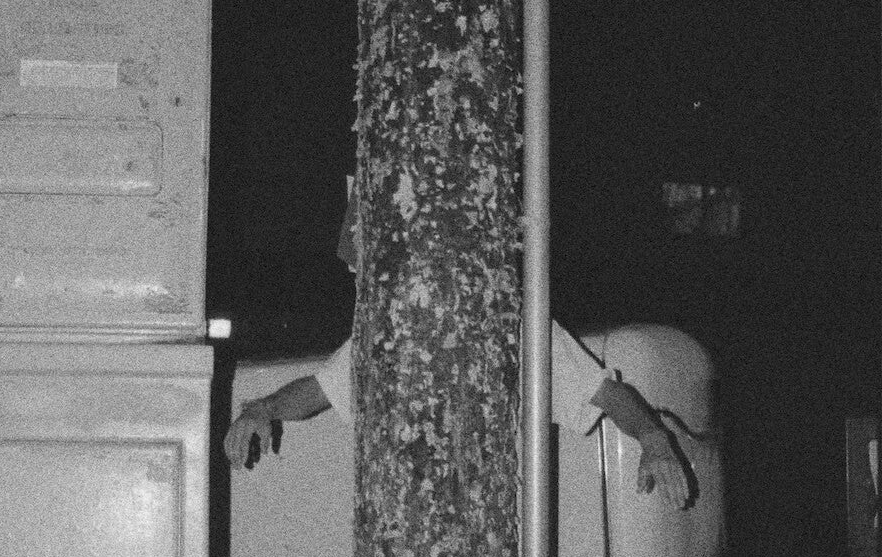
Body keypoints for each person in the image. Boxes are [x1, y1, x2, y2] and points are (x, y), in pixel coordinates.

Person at [224, 190, 692, 509]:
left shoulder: (516, 327)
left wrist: (654, 440)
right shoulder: (391, 330)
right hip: (404, 519)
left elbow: (608, 394)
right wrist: (262, 407)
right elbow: (318, 390)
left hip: (487, 521)